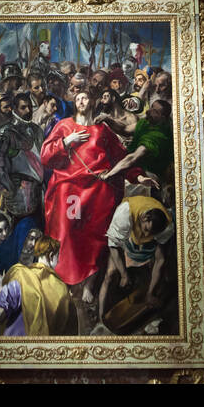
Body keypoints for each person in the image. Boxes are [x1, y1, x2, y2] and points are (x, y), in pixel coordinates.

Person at [40, 89, 150, 302]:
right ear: (75, 103)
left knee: (98, 234)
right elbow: (45, 156)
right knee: (67, 230)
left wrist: (138, 177)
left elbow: (120, 156)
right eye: (78, 98)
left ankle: (90, 282)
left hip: (98, 186)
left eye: (85, 97)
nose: (82, 100)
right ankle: (66, 280)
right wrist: (66, 141)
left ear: (92, 102)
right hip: (68, 186)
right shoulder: (64, 126)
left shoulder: (102, 129)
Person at [99, 195, 173, 324]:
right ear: (144, 218)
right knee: (110, 275)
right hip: (124, 239)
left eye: (151, 233)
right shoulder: (124, 214)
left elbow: (160, 260)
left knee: (158, 272)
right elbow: (114, 246)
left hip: (145, 248)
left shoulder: (166, 226)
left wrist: (150, 293)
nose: (146, 235)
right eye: (146, 230)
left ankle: (150, 293)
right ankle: (101, 316)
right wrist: (123, 275)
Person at [0, 236, 77, 336]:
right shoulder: (62, 288)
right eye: (58, 256)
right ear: (51, 256)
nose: (59, 261)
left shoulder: (20, 278)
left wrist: (0, 288)